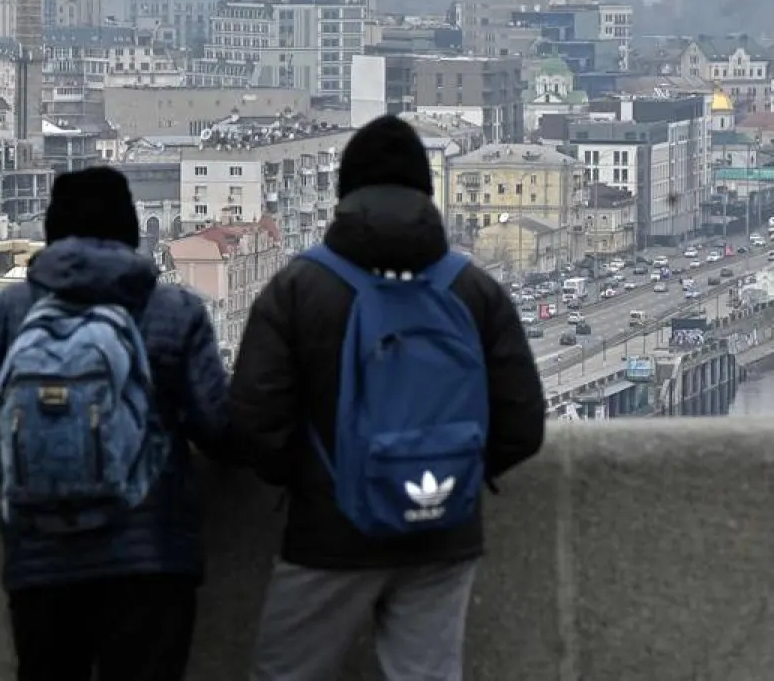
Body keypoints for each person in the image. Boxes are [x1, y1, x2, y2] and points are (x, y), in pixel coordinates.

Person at [229, 115, 547, 681]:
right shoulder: (473, 289)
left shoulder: (299, 287)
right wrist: (448, 475)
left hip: (329, 534)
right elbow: (522, 425)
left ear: (343, 193)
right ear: (427, 192)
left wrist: (321, 481)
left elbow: (255, 419)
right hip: (443, 531)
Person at [0, 166, 230, 681]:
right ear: (132, 230)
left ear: (51, 232)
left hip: (42, 560)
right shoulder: (174, 311)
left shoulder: (6, 312)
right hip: (149, 561)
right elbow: (221, 431)